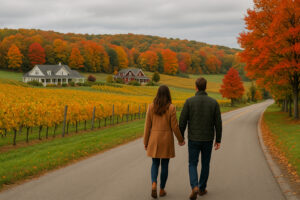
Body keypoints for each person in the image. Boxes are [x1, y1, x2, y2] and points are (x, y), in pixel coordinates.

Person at [179, 77, 222, 200]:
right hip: (208, 139)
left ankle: (194, 186)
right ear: (206, 87)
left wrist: (181, 137)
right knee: (205, 164)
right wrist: (218, 140)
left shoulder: (189, 102)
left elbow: (182, 121)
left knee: (192, 163)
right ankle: (202, 188)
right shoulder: (214, 103)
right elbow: (218, 123)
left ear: (196, 87)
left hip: (193, 139)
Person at [144, 85, 185, 199]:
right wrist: (180, 139)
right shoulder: (171, 107)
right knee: (165, 165)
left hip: (154, 138)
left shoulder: (151, 106)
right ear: (168, 94)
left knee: (155, 163)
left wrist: (145, 141)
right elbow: (175, 126)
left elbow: (147, 126)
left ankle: (153, 184)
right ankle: (161, 189)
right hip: (166, 139)